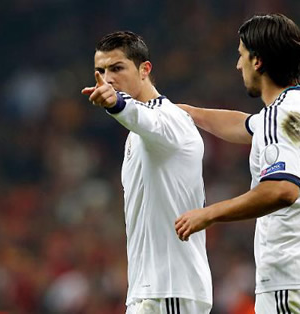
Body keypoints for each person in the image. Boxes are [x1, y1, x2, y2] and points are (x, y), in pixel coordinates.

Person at [175, 14, 300, 313]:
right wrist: (188, 113)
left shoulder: (280, 115)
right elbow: (245, 126)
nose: (237, 65)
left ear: (257, 61)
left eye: (241, 55)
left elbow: (282, 190)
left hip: (289, 281)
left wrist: (209, 214)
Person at [82, 31, 212, 314]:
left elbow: (143, 117)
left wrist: (115, 104)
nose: (108, 79)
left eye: (117, 68)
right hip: (152, 291)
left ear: (145, 70)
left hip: (171, 290)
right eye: (101, 71)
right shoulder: (137, 134)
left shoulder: (169, 118)